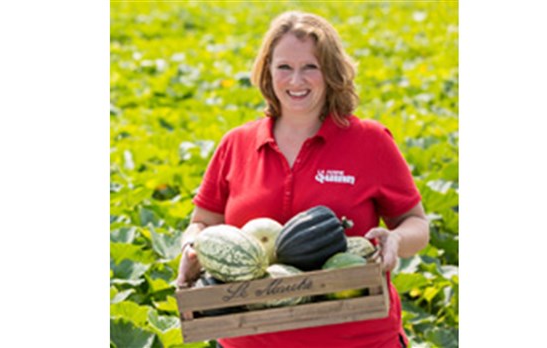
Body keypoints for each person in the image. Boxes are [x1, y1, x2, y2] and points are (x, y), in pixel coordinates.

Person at [176, 10, 429, 348]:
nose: (296, 81)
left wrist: (396, 240)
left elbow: (416, 223)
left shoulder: (370, 141)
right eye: (284, 67)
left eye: (311, 67)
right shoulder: (236, 144)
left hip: (359, 340)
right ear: (268, 72)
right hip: (250, 341)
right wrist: (192, 245)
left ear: (332, 72)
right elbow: (203, 222)